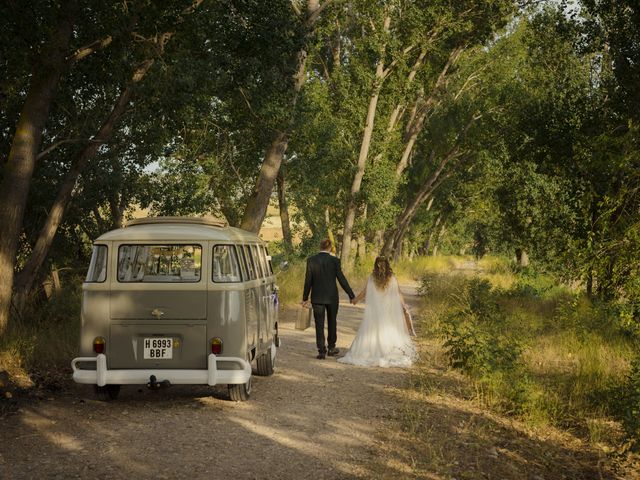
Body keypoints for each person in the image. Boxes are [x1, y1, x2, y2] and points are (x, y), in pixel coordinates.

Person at [338, 256, 416, 367]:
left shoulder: (372, 278)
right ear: (388, 265)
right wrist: (403, 305)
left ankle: (371, 352)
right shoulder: (392, 278)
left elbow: (365, 292)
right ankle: (389, 351)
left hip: (375, 313)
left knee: (373, 330)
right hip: (388, 311)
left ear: (375, 265)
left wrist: (355, 300)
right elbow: (399, 293)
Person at [302, 238, 356, 359]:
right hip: (332, 297)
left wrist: (305, 297)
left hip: (317, 298)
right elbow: (341, 279)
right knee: (332, 321)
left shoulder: (311, 260)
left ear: (319, 247)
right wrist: (351, 295)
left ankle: (321, 350)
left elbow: (308, 280)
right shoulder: (334, 261)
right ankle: (331, 348)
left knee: (319, 324)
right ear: (330, 247)